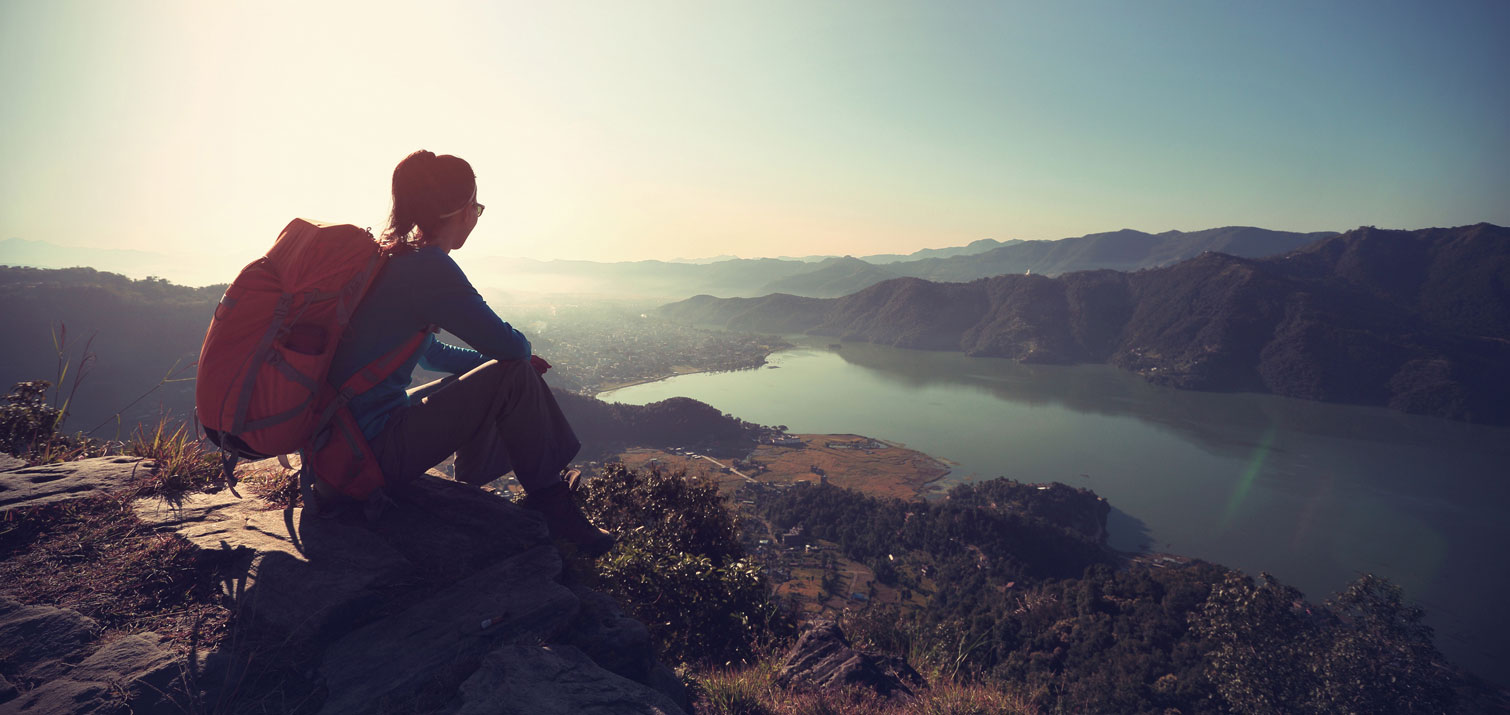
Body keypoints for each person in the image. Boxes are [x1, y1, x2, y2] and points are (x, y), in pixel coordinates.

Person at [328, 149, 613, 556]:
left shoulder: (393, 258)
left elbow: (433, 355)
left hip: (341, 439)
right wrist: (513, 364)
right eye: (476, 207)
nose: (476, 217)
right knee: (514, 374)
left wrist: (495, 367)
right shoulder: (428, 267)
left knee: (502, 374)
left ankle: (477, 489)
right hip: (368, 452)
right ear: (462, 211)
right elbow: (511, 346)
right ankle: (553, 506)